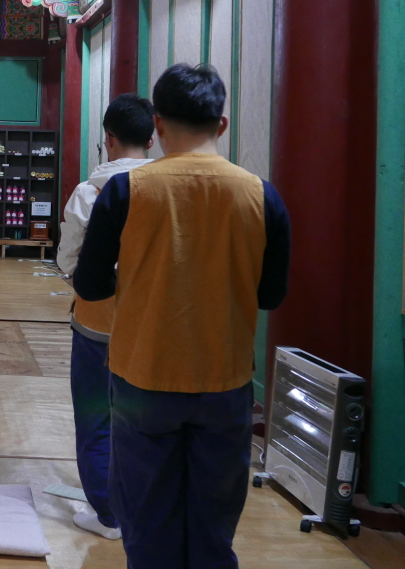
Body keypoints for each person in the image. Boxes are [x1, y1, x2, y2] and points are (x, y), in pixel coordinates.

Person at [74, 64, 290, 569]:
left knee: (147, 522)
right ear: (222, 125)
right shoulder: (262, 195)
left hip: (143, 377)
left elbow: (90, 284)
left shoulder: (125, 191)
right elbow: (271, 295)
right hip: (225, 381)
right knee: (214, 526)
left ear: (158, 126)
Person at [56, 93, 155, 540]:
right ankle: (142, 505)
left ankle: (107, 515)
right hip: (154, 324)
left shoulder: (89, 192)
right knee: (143, 420)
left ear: (108, 138)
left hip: (98, 322)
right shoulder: (168, 190)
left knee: (96, 418)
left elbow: (67, 260)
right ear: (151, 139)